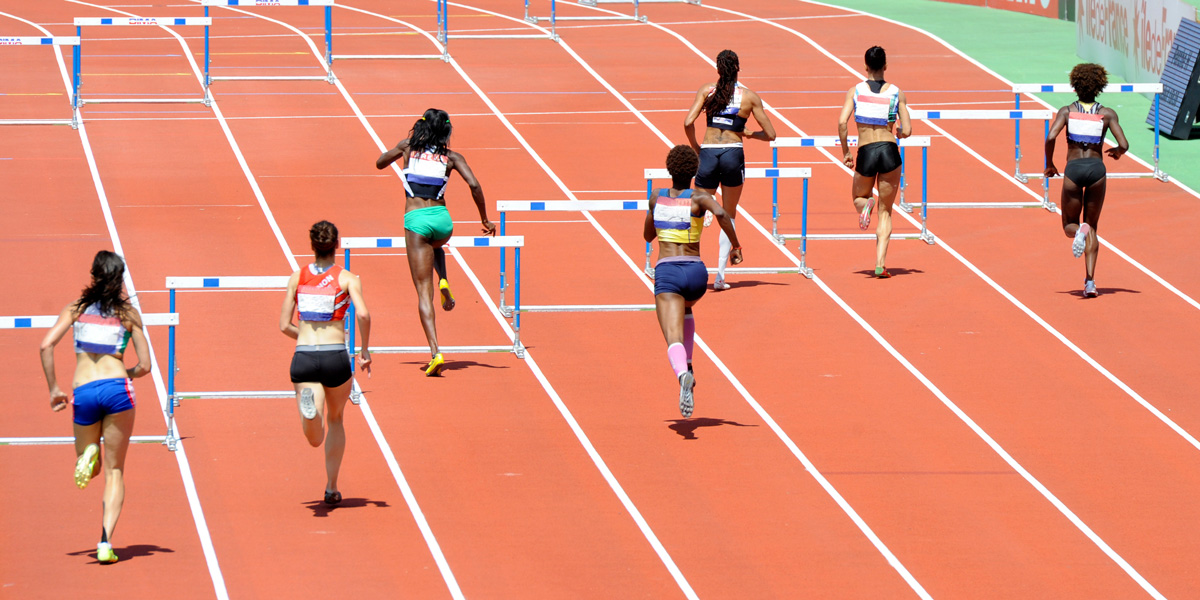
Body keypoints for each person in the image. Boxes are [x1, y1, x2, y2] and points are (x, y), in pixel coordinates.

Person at [39, 250, 151, 564]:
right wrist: (122, 375)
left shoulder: (76, 309)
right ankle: (105, 543)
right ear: (120, 279)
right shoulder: (128, 314)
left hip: (83, 391)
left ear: (93, 275)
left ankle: (88, 455)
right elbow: (145, 366)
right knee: (114, 471)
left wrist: (54, 390)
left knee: (92, 465)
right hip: (117, 391)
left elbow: (46, 345)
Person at [377, 108, 495, 375]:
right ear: (446, 131)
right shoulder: (452, 157)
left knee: (422, 292)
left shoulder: (407, 147)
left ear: (420, 127)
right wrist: (485, 220)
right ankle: (443, 278)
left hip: (416, 220)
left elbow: (380, 163)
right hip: (443, 221)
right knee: (435, 245)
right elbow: (474, 184)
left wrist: (401, 148)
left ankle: (435, 352)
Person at [644, 145, 743, 418]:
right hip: (697, 274)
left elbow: (647, 235)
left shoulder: (657, 198)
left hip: (668, 273)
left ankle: (682, 374)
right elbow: (723, 214)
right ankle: (688, 363)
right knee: (686, 309)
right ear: (693, 172)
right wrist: (736, 246)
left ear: (669, 170)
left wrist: (658, 220)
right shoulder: (699, 198)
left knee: (671, 336)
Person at [280, 221, 372, 506]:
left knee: (314, 437)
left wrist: (304, 338)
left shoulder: (297, 277)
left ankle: (310, 414)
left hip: (304, 355)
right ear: (337, 246)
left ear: (313, 246)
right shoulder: (348, 279)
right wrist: (364, 351)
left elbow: (284, 325)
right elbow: (364, 315)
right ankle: (332, 487)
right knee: (336, 419)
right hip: (335, 356)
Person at [684, 49, 775, 290]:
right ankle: (720, 276)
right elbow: (771, 134)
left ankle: (690, 267)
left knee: (697, 212)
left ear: (717, 69)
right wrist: (750, 134)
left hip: (709, 153)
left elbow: (687, 122)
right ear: (738, 69)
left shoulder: (707, 91)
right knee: (729, 214)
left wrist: (696, 148)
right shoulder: (750, 97)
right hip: (733, 153)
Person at [1044, 63, 1128, 298]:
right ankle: (1090, 282)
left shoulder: (1066, 111)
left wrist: (1050, 164)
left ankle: (1078, 231)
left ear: (1075, 85)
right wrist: (1117, 153)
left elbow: (1051, 136)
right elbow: (1123, 144)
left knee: (1069, 225)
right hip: (1096, 170)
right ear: (1100, 86)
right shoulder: (1108, 114)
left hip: (1074, 169)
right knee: (1093, 227)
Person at [837, 45, 912, 278]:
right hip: (889, 150)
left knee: (859, 197)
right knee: (886, 211)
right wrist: (898, 132)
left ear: (865, 66)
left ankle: (865, 205)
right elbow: (907, 130)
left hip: (866, 150)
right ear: (886, 66)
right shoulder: (897, 93)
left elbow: (841, 123)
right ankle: (880, 263)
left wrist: (846, 152)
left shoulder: (855, 91)